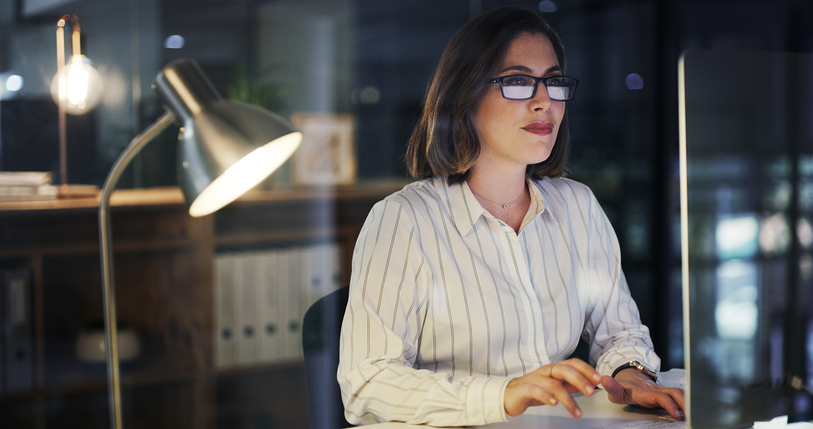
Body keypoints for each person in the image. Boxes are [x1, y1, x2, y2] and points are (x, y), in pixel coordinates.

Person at [337, 5, 684, 426]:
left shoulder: (577, 206)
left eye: (553, 82)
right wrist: (502, 396)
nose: (544, 102)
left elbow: (620, 333)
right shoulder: (403, 221)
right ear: (464, 97)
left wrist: (631, 376)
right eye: (518, 82)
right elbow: (368, 383)